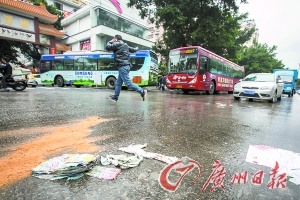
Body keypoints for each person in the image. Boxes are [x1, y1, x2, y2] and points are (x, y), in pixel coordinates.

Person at [106, 35, 147, 102]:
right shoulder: (125, 45)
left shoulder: (117, 43)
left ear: (116, 39)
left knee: (128, 84)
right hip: (125, 66)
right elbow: (133, 50)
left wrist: (111, 41)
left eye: (114, 39)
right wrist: (136, 49)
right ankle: (115, 97)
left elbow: (107, 47)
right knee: (118, 83)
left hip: (123, 66)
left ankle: (142, 91)